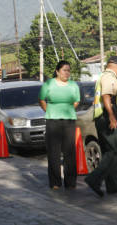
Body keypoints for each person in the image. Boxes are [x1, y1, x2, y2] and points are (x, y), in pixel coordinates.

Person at [84, 56, 117, 197]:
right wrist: (112, 116)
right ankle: (94, 179)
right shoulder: (109, 77)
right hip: (107, 116)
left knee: (110, 150)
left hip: (102, 117)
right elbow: (107, 96)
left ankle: (113, 185)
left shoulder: (104, 76)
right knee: (114, 150)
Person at [39, 60, 80, 190]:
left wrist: (66, 110)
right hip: (53, 122)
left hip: (69, 121)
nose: (67, 73)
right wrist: (50, 111)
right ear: (57, 71)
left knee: (70, 152)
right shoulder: (49, 84)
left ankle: (70, 182)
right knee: (54, 153)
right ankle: (55, 182)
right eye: (64, 70)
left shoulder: (73, 85)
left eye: (68, 70)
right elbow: (41, 100)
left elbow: (76, 101)